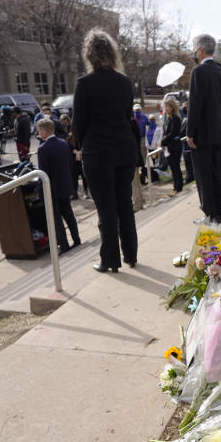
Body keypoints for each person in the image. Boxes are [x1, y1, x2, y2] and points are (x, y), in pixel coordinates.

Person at [73, 27, 140, 274]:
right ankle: (131, 254)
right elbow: (126, 117)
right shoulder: (124, 82)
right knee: (124, 204)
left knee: (106, 210)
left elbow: (78, 123)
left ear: (89, 55)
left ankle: (110, 259)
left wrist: (80, 147)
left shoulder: (85, 84)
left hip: (98, 152)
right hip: (123, 149)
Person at [186, 33, 221, 223]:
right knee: (215, 174)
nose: (194, 53)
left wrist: (189, 133)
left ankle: (210, 214)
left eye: (194, 49)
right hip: (218, 131)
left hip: (202, 133)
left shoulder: (199, 72)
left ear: (201, 50)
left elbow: (195, 105)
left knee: (204, 176)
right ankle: (218, 213)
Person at [35, 118, 80, 254]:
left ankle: (64, 245)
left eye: (38, 131)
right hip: (65, 185)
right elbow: (70, 164)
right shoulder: (64, 143)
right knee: (69, 214)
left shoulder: (43, 149)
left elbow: (44, 172)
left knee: (56, 218)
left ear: (43, 131)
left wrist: (38, 187)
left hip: (52, 189)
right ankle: (76, 240)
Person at [161, 96, 184, 195]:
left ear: (172, 107)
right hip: (170, 146)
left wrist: (163, 142)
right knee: (173, 168)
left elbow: (173, 133)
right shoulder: (169, 118)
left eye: (167, 107)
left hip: (175, 146)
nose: (166, 109)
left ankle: (178, 188)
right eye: (165, 107)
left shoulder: (176, 118)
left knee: (176, 168)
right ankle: (176, 187)